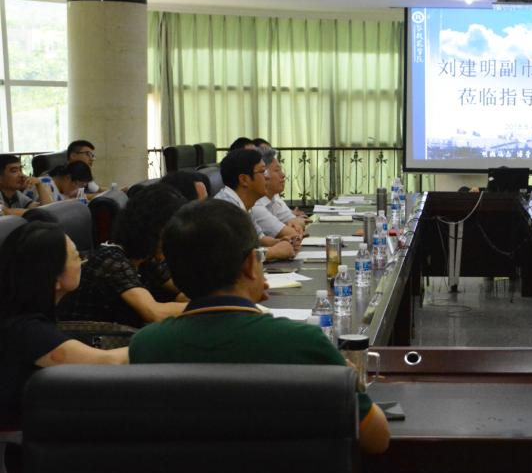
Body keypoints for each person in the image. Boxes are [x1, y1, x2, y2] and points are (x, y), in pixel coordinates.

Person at [129, 199, 390, 454]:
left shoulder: (146, 346)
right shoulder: (303, 343)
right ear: (249, 266)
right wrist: (349, 379)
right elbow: (377, 438)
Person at [0, 222, 127, 427]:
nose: (83, 261)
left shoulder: (20, 314)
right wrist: (158, 340)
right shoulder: (27, 331)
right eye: (77, 257)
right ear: (54, 278)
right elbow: (108, 364)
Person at [57, 185, 189, 327]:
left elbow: (184, 291)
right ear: (155, 229)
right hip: (91, 336)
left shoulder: (145, 258)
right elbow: (154, 313)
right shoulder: (111, 261)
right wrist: (203, 305)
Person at [214, 149, 296, 261]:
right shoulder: (226, 209)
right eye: (263, 172)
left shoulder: (245, 204)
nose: (267, 177)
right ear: (244, 179)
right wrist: (274, 251)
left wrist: (282, 242)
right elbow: (236, 257)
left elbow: (259, 240)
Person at [254, 147, 306, 233]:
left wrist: (293, 225)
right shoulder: (255, 205)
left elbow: (298, 222)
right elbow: (287, 232)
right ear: (264, 174)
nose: (283, 175)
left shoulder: (273, 199)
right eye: (277, 170)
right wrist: (291, 227)